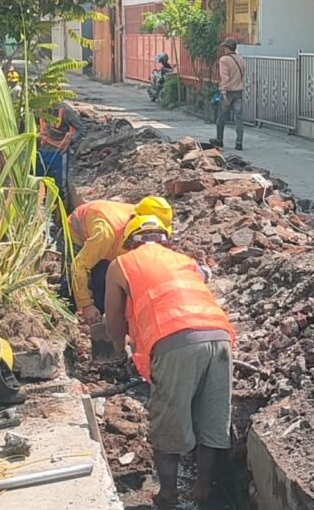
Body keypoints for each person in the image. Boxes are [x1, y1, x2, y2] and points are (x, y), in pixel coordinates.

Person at [102, 215, 234, 509]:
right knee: (211, 417)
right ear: (165, 240)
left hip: (174, 340)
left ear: (130, 243)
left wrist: (118, 349)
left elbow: (114, 323)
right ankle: (202, 490)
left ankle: (168, 495)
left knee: (169, 423)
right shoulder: (185, 261)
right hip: (220, 336)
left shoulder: (121, 264)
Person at [67, 197, 173, 324]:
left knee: (108, 283)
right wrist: (86, 305)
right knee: (69, 285)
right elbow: (79, 265)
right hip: (77, 232)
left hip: (110, 243)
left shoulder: (143, 217)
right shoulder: (105, 235)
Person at [36, 102, 86, 197]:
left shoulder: (65, 110)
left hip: (58, 153)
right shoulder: (39, 106)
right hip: (41, 152)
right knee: (39, 184)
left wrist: (71, 141)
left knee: (59, 187)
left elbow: (80, 129)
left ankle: (61, 204)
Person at [211, 37, 246, 151]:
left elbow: (225, 77)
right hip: (238, 91)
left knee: (221, 117)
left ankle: (219, 140)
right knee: (239, 118)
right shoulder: (241, 60)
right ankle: (239, 143)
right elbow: (242, 75)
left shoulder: (224, 60)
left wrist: (223, 92)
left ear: (227, 48)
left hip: (228, 92)